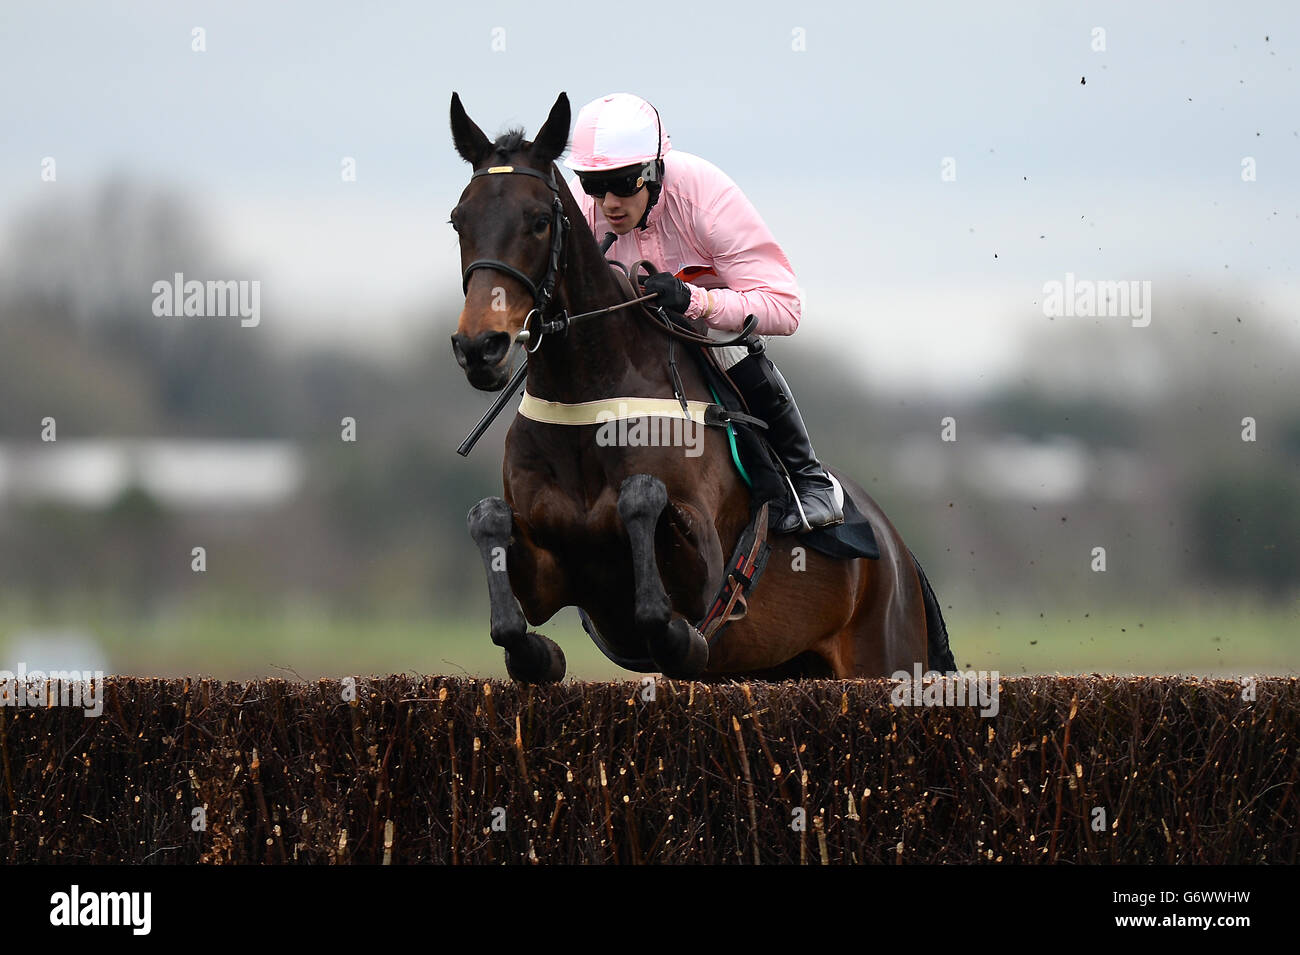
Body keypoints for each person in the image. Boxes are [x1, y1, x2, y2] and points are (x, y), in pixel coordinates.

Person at [563, 92, 843, 533]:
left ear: (653, 172)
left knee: (726, 345)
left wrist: (694, 301)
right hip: (628, 330)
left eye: (622, 184)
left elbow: (786, 308)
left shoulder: (706, 198)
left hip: (709, 328)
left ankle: (808, 481)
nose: (609, 203)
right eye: (594, 185)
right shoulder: (585, 209)